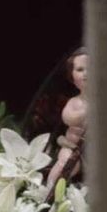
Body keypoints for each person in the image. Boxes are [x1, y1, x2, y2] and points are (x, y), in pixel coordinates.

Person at [46, 47, 88, 187]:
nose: (86, 74)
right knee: (65, 164)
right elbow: (68, 118)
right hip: (72, 147)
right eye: (80, 69)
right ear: (72, 77)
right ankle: (51, 188)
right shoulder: (75, 102)